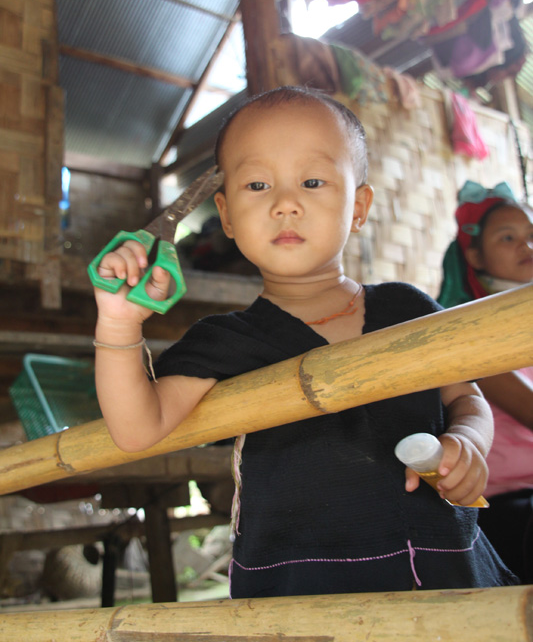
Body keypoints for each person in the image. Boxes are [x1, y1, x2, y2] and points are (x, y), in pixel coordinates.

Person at [93, 86, 518, 597]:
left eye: (312, 182)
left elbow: (466, 397)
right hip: (302, 589)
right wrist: (118, 323)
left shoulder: (407, 310)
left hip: (447, 570)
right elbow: (135, 429)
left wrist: (469, 441)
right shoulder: (224, 342)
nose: (285, 204)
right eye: (257, 185)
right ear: (226, 215)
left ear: (358, 206)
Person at [438, 180, 533, 582]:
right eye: (507, 237)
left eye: (531, 234)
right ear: (474, 255)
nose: (526, 246)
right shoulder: (476, 331)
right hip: (508, 506)